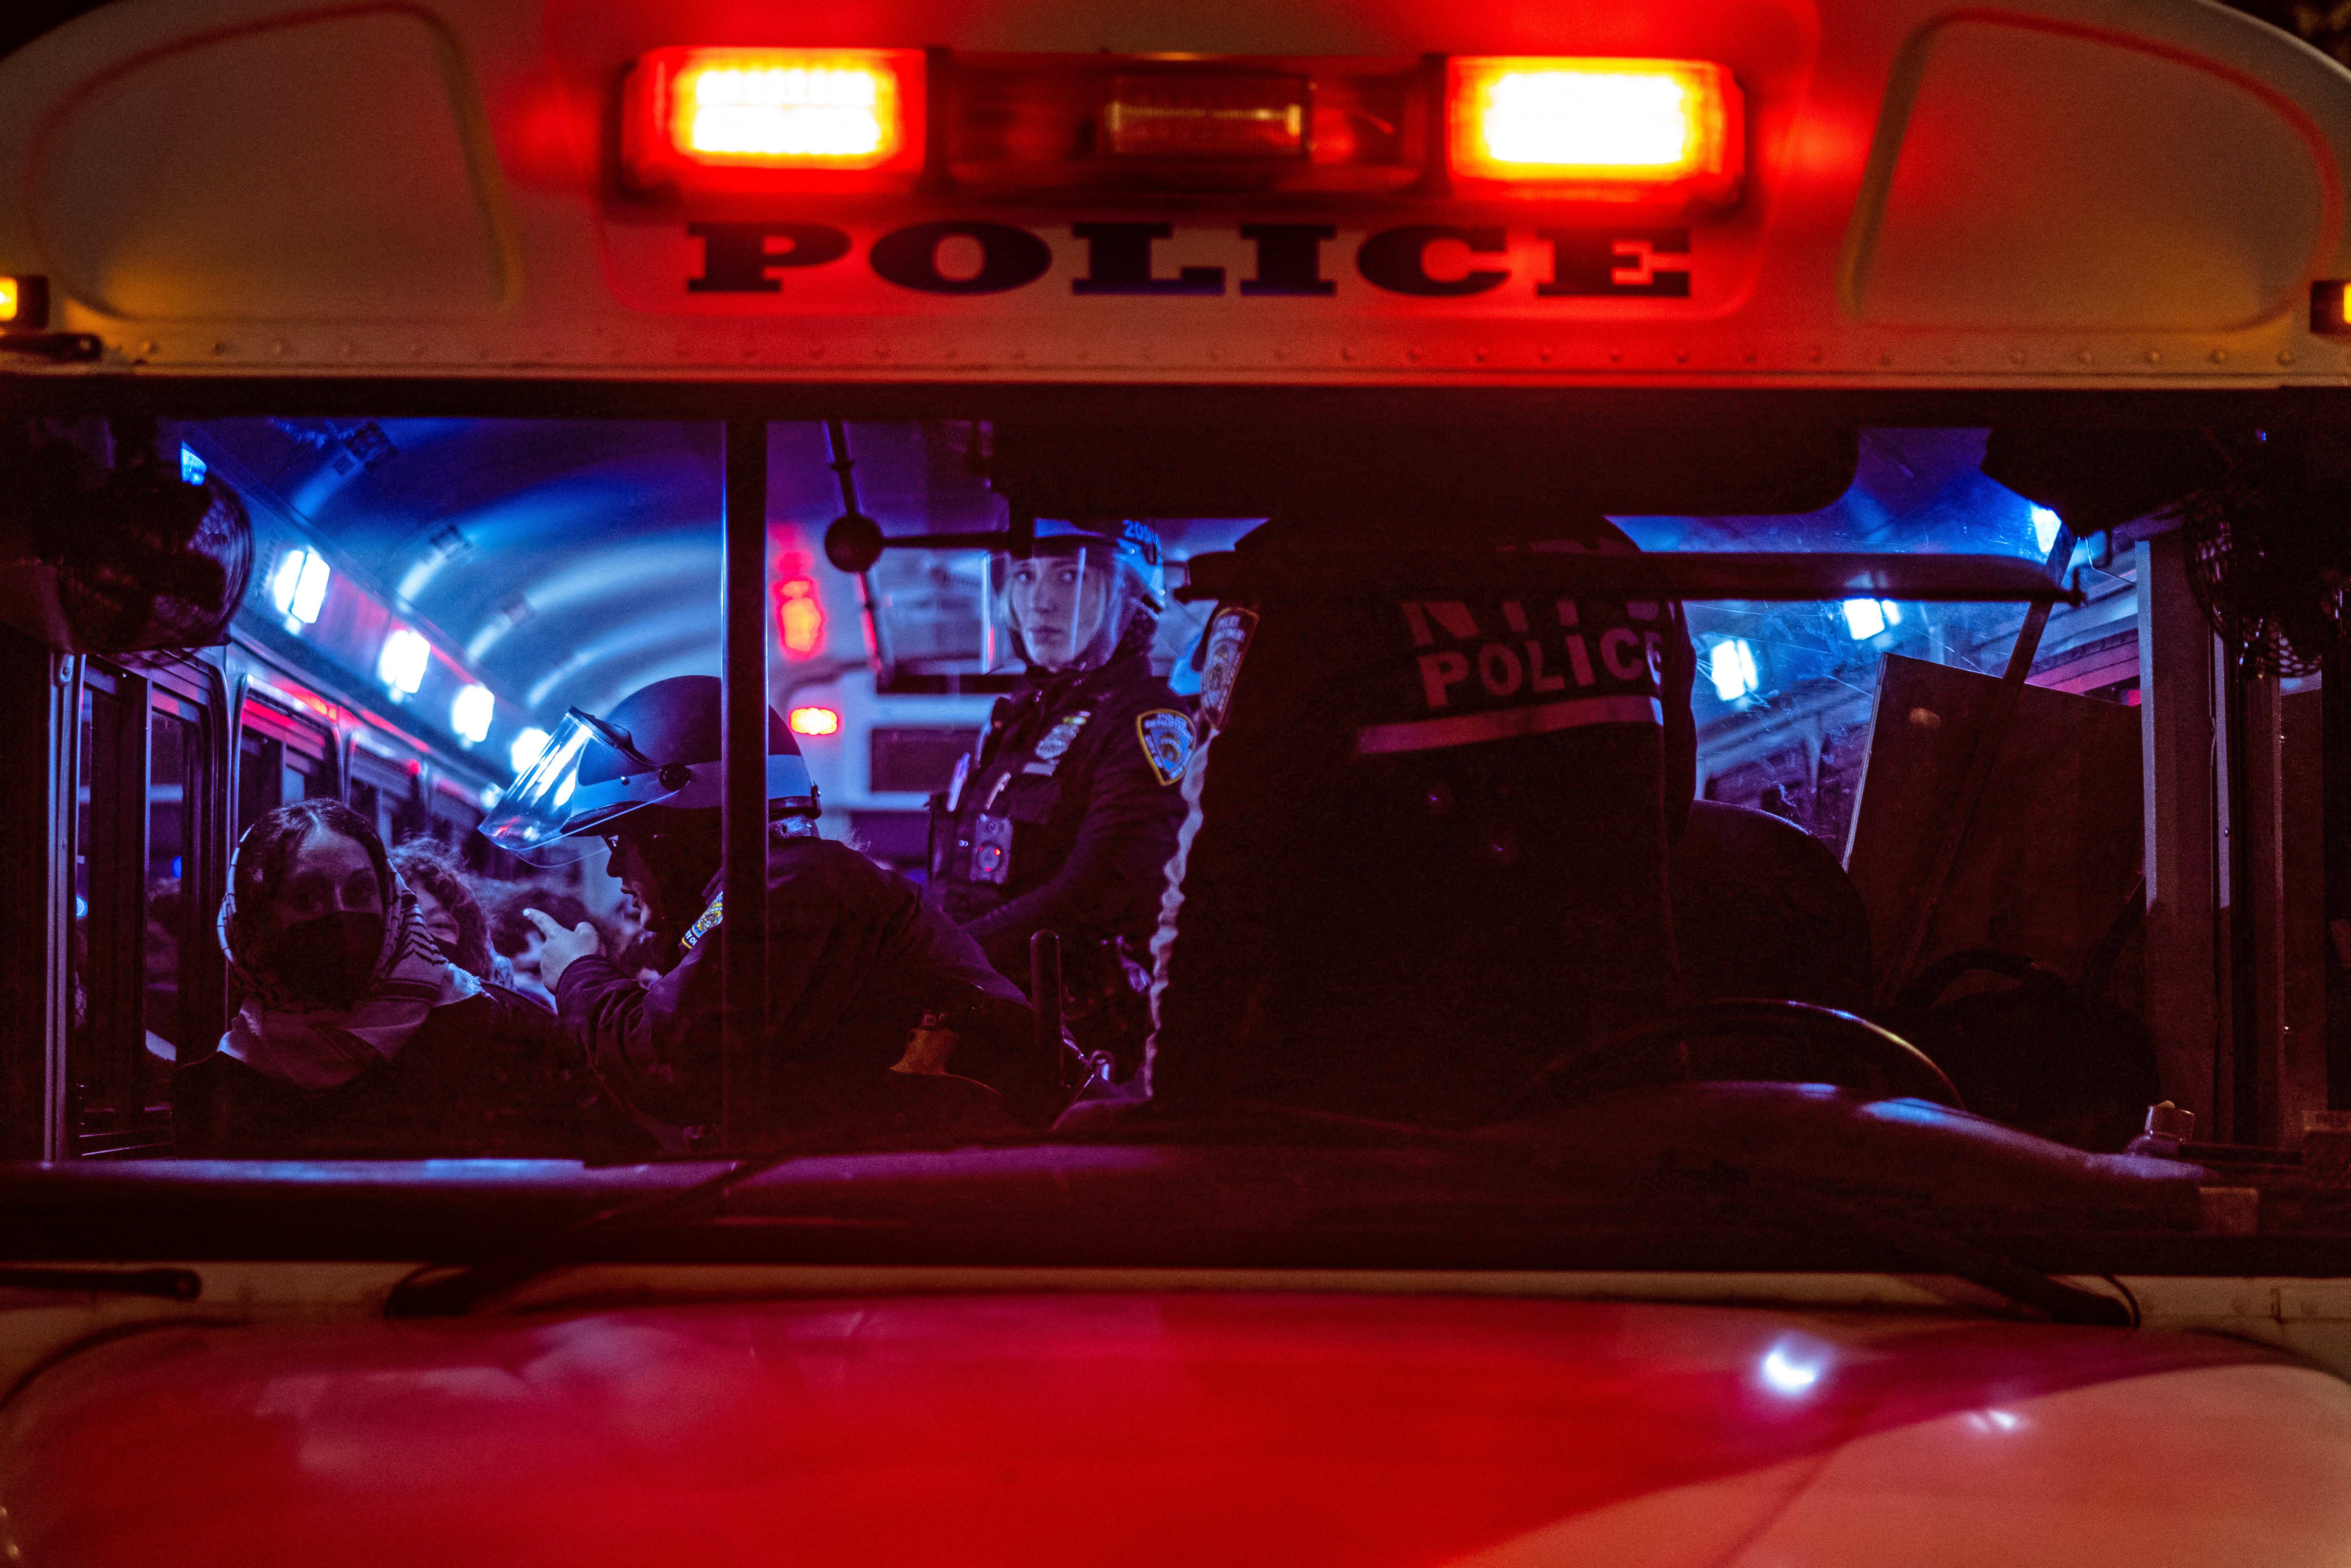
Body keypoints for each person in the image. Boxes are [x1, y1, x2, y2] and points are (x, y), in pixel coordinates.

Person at [1145, 511, 1698, 1129]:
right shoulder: (1619, 569)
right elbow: (1667, 817)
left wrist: (1175, 1109)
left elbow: (1221, 889)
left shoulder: (1305, 583)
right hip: (1618, 1092)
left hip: (1379, 1123)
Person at [480, 675, 1054, 1152]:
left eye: (619, 842)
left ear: (673, 834)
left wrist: (578, 975)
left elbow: (677, 1064)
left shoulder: (795, 890)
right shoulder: (775, 889)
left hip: (960, 1194)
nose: (614, 872)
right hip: (926, 1171)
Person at [173, 801, 649, 1159]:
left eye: (360, 891)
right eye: (307, 897)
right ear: (258, 922)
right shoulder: (220, 1085)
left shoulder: (499, 1031)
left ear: (392, 903)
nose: (340, 916)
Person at [931, 520, 1189, 1077]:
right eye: (1024, 577)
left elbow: (1092, 894)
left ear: (1130, 599)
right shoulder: (1017, 717)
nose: (1040, 602)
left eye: (1070, 577)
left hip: (1076, 1034)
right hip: (988, 1004)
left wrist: (941, 956)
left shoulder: (1147, 721)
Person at [388, 836, 516, 990]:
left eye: (439, 924)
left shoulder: (492, 996)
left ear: (465, 939)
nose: (420, 936)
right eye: (405, 920)